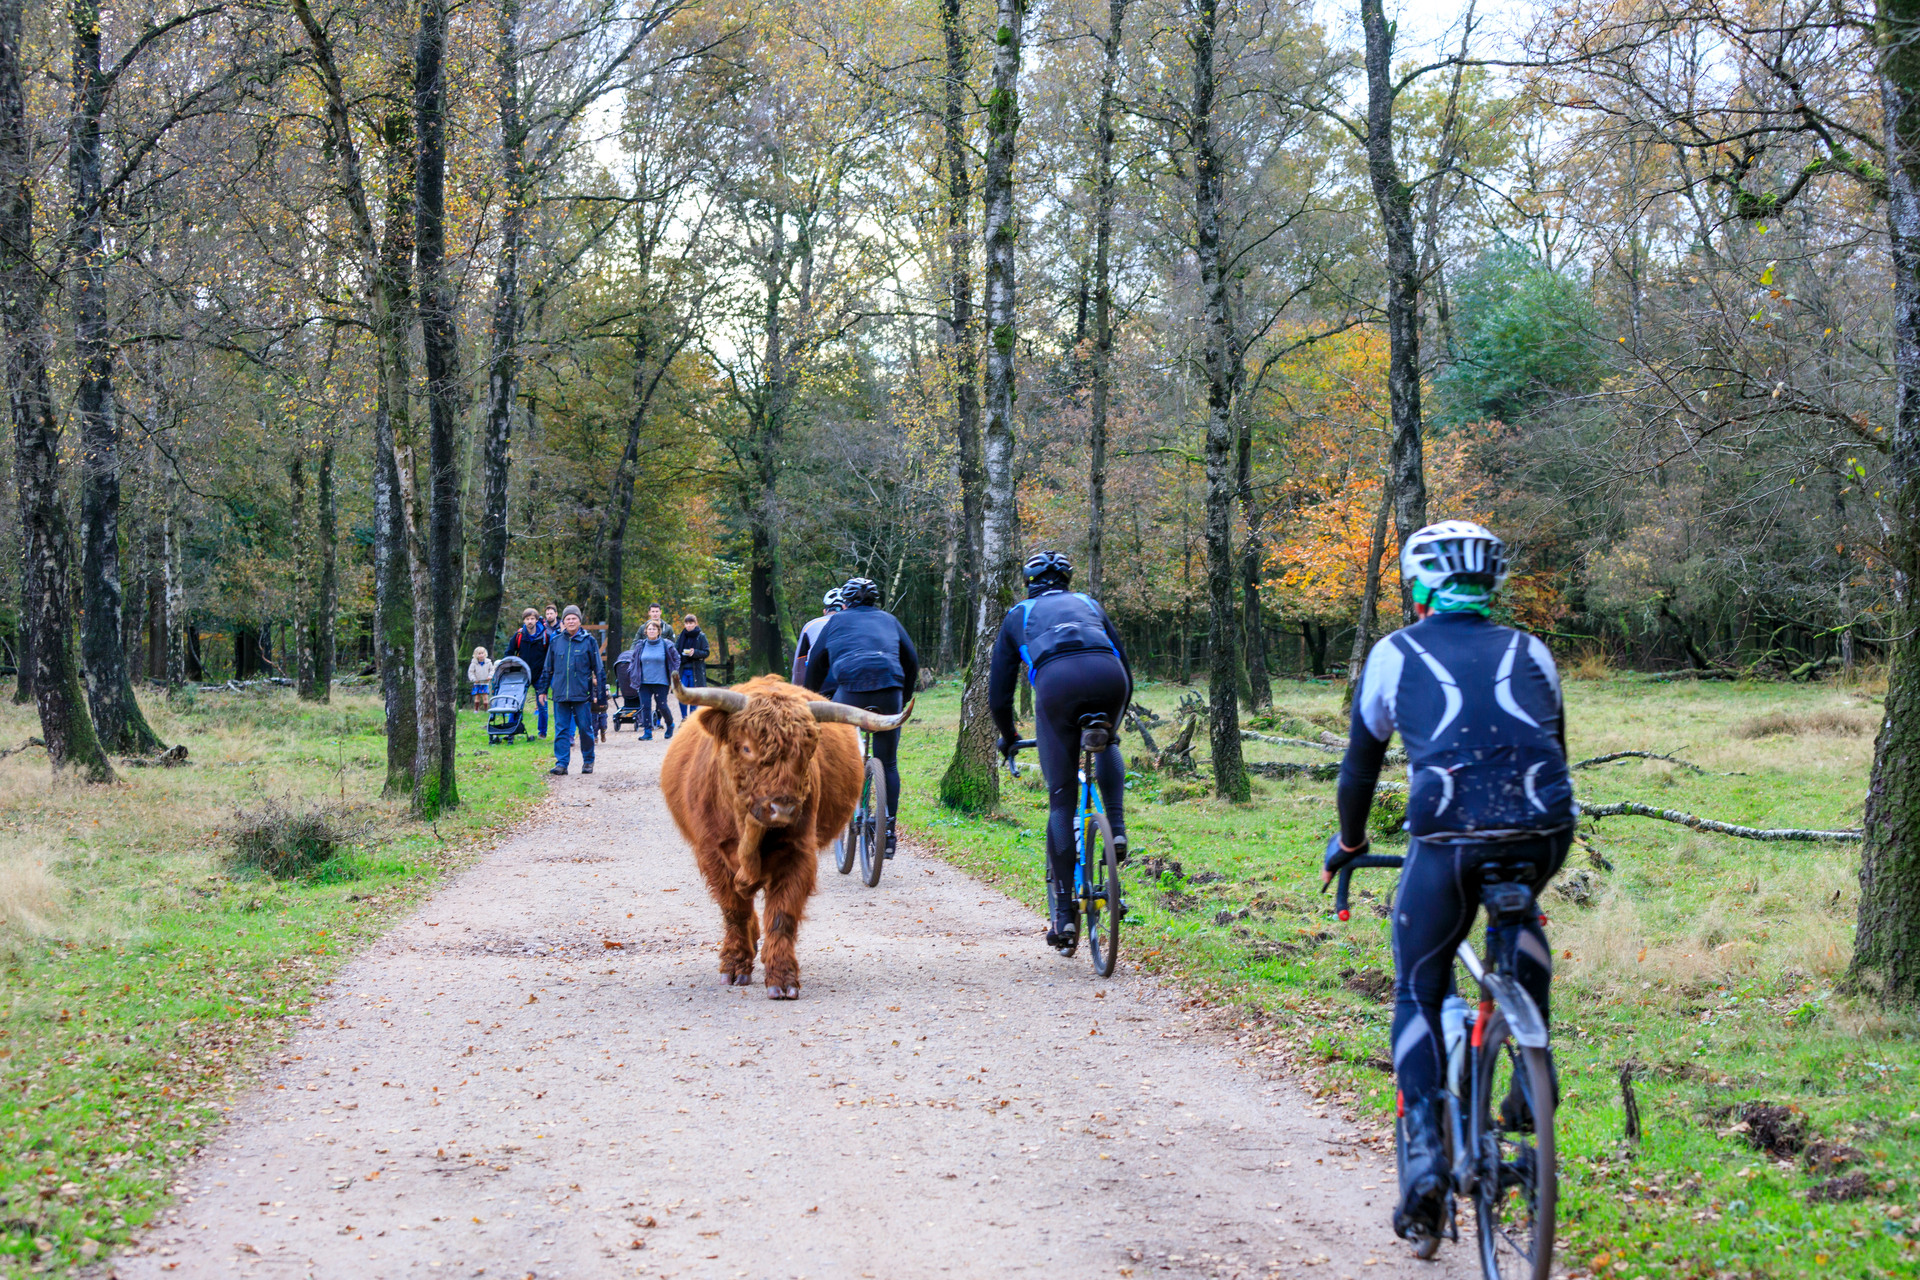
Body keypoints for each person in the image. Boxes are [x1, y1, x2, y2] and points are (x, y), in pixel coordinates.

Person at [1322, 520, 1572, 1249]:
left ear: (1421, 586)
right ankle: (1534, 1072)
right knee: (1517, 909)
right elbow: (1551, 749)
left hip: (1449, 835)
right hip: (1543, 828)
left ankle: (1426, 1161)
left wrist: (1353, 842)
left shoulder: (1395, 653)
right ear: (1491, 584)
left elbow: (1360, 767)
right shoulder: (1534, 650)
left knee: (1418, 991)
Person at [986, 550, 1133, 952]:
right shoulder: (1089, 603)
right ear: (1067, 581)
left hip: (1058, 684)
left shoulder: (1019, 614)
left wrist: (1008, 735)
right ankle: (1116, 829)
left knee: (1061, 800)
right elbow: (1124, 659)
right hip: (1110, 677)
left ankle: (1066, 916)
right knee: (1109, 743)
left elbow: (999, 693)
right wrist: (1115, 714)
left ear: (1029, 583)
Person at [802, 577, 918, 858]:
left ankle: (843, 812)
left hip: (850, 692)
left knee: (844, 758)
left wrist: (811, 699)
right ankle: (888, 831)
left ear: (846, 601)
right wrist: (904, 694)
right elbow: (911, 659)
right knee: (888, 761)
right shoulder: (890, 620)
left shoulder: (836, 622)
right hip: (890, 689)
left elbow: (816, 662)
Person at [539, 605, 606, 776]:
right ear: (563, 622)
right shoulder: (556, 642)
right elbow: (547, 668)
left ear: (579, 621)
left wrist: (600, 696)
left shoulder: (589, 641)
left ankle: (588, 761)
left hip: (581, 694)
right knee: (561, 729)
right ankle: (561, 763)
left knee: (585, 728)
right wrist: (542, 690)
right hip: (560, 694)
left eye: (573, 618)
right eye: (567, 618)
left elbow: (598, 669)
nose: (570, 621)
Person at [626, 619, 680, 739]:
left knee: (662, 705)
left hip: (661, 681)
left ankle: (670, 724)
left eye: (654, 629)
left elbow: (677, 659)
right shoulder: (641, 645)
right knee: (645, 706)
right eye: (649, 629)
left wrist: (674, 673)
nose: (651, 631)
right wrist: (632, 672)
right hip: (644, 682)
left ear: (658, 631)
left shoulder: (666, 645)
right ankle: (647, 732)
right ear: (646, 631)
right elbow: (634, 660)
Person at [507, 608, 552, 737]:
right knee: (516, 702)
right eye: (527, 619)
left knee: (542, 704)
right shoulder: (519, 636)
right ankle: (512, 729)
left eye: (532, 619)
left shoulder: (545, 636)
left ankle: (542, 733)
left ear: (537, 620)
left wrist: (548, 672)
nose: (530, 621)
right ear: (524, 620)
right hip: (522, 675)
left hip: (540, 675)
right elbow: (509, 653)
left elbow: (550, 655)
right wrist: (511, 669)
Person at [790, 588, 844, 688]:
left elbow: (799, 666)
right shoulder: (853, 625)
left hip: (818, 683)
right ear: (845, 608)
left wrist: (797, 691)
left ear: (824, 611)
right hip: (848, 682)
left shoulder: (810, 625)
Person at [676, 613, 711, 719]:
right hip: (682, 669)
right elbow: (675, 650)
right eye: (687, 623)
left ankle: (691, 718)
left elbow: (706, 652)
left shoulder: (701, 636)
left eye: (691, 623)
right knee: (681, 694)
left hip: (695, 669)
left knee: (694, 695)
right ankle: (684, 717)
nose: (689, 625)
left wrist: (694, 652)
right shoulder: (681, 636)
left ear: (695, 623)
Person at [468, 647, 494, 712]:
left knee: (485, 697)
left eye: (482, 653)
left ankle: (486, 710)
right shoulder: (473, 663)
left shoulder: (489, 662)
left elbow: (492, 670)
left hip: (485, 682)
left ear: (485, 654)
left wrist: (490, 676)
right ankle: (476, 710)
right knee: (477, 697)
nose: (481, 655)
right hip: (477, 683)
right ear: (476, 655)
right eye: (479, 653)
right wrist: (474, 679)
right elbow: (471, 672)